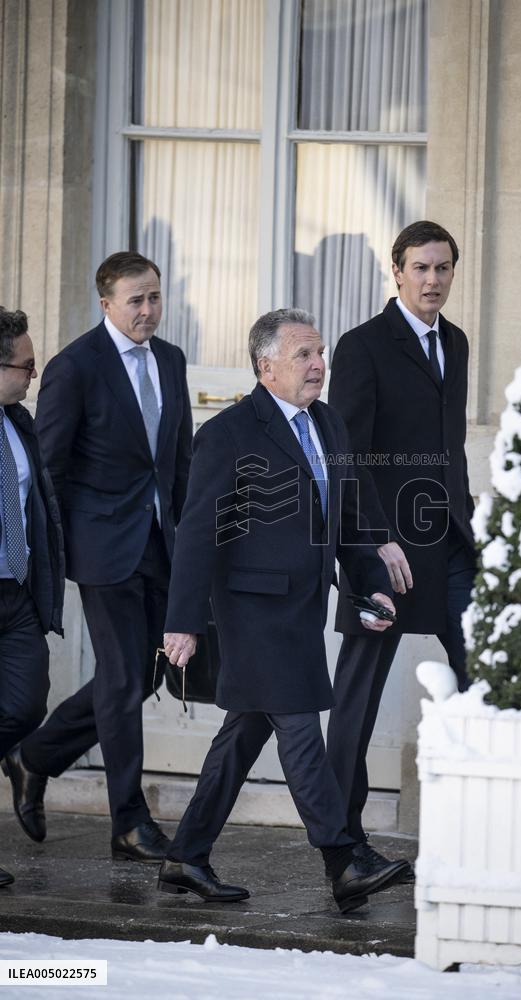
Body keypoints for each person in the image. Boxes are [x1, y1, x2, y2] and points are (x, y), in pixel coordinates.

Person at [159, 308, 409, 913]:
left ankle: (186, 856)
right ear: (265, 366)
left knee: (244, 733)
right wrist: (182, 621)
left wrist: (371, 584)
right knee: (299, 728)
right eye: (303, 354)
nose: (318, 364)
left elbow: (347, 521)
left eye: (319, 352)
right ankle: (343, 858)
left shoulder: (329, 424)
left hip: (301, 609)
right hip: (249, 610)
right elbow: (197, 533)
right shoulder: (228, 433)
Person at [1, 253, 192, 863]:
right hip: (103, 548)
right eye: (135, 299)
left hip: (162, 542)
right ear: (105, 302)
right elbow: (49, 469)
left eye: (155, 297)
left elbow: (178, 458)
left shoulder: (171, 360)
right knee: (122, 675)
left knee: (142, 675)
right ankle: (129, 822)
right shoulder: (74, 366)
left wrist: (188, 536)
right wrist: (54, 555)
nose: (147, 310)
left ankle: (35, 756)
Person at [326, 220, 477, 876]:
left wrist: (470, 526)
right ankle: (342, 843)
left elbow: (450, 447)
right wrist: (371, 540)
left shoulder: (459, 343)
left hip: (448, 546)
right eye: (421, 268)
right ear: (397, 272)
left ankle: (485, 823)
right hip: (383, 549)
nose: (433, 280)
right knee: (355, 698)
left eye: (443, 268)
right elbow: (346, 454)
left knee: (483, 674)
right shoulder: (362, 347)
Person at [0, 308, 64, 888]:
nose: (34, 374)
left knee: (24, 706)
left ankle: (18, 761)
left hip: (14, 594)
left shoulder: (20, 423)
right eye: (26, 364)